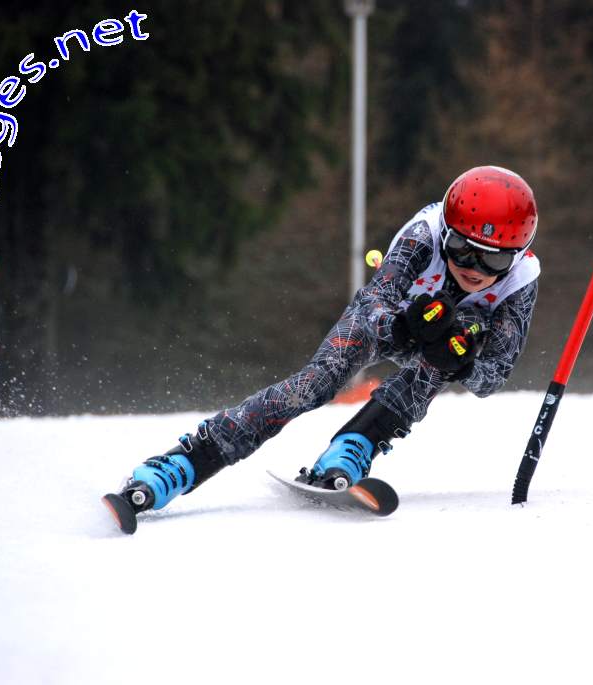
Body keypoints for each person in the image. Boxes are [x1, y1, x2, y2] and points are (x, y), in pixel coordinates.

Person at [104, 166, 541, 531]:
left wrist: (461, 364)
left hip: (444, 343)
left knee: (452, 345)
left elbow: (493, 378)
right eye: (461, 250)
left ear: (517, 255)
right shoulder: (422, 237)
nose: (473, 268)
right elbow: (372, 305)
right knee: (316, 384)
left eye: (493, 260)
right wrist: (403, 326)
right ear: (446, 234)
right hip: (391, 322)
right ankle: (184, 462)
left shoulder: (521, 281)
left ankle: (353, 447)